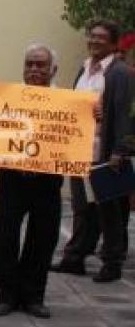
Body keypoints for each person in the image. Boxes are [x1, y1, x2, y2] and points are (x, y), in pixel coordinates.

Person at [51, 19, 133, 283]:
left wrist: (121, 149)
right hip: (79, 149)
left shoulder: (120, 73)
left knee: (109, 208)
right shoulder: (85, 69)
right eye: (92, 36)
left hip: (105, 151)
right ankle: (75, 257)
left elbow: (123, 113)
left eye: (101, 37)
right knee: (82, 206)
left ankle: (112, 262)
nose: (94, 40)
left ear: (113, 43)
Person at [0, 44, 63, 319]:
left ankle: (33, 295)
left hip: (48, 179)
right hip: (12, 177)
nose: (34, 69)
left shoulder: (67, 102)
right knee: (5, 235)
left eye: (40, 65)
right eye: (29, 64)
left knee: (44, 236)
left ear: (52, 69)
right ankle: (7, 293)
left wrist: (94, 117)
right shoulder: (6, 97)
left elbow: (78, 133)